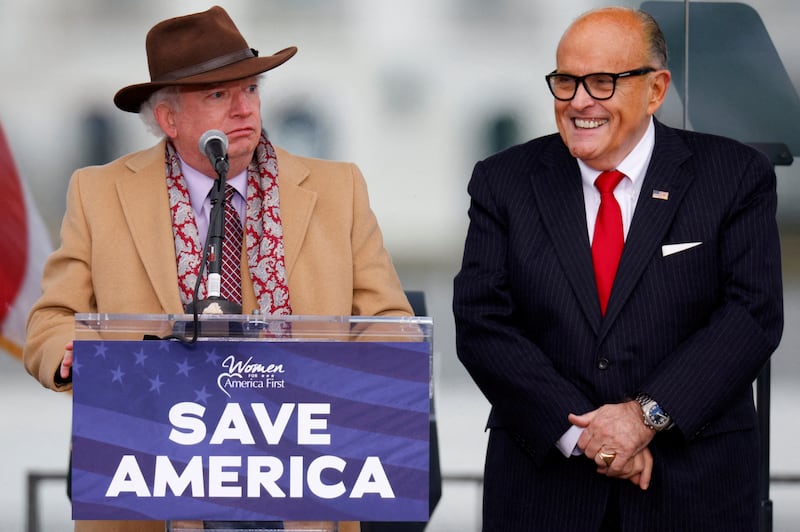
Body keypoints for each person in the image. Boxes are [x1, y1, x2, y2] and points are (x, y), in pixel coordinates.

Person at [24, 6, 412, 532]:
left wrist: (356, 389)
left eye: (250, 90)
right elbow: (49, 322)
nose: (243, 109)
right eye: (217, 95)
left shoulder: (338, 189)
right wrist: (69, 354)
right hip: (156, 488)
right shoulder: (98, 193)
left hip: (302, 487)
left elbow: (391, 325)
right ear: (168, 119)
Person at [453, 6, 783, 531]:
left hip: (693, 488)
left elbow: (751, 315)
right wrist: (589, 436)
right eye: (565, 81)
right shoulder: (504, 181)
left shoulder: (733, 175)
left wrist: (643, 417)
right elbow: (482, 323)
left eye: (602, 82)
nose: (579, 102)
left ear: (655, 90)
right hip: (546, 493)